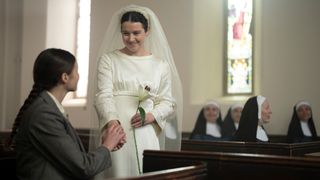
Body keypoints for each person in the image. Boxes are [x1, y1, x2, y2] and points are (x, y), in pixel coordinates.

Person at [6, 48, 126, 180]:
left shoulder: (48, 108)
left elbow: (72, 159)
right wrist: (107, 146)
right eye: (76, 70)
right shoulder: (44, 114)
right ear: (65, 77)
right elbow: (83, 167)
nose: (79, 76)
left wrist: (106, 145)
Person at [93, 4, 183, 178]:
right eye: (126, 33)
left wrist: (150, 116)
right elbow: (103, 95)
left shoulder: (160, 65)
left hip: (145, 130)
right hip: (115, 131)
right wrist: (112, 123)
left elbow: (168, 102)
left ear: (147, 31)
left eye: (136, 33)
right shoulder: (109, 60)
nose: (131, 39)